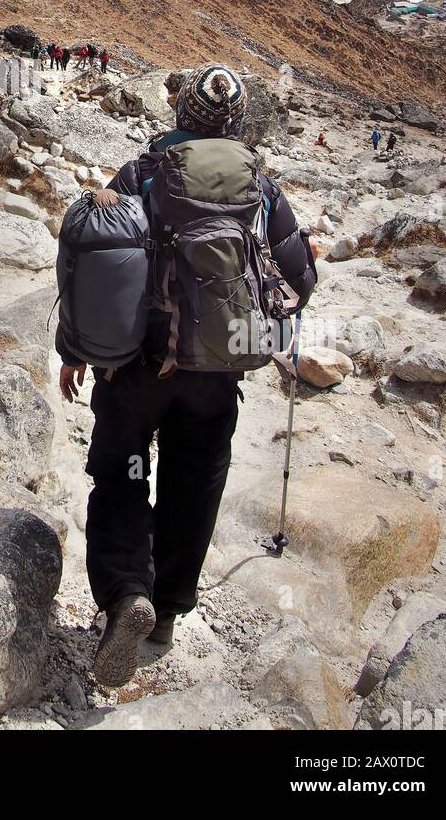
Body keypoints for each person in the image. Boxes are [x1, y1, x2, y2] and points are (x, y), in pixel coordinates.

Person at [58, 64, 317, 688]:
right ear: (236, 121)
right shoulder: (262, 185)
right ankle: (169, 608)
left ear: (180, 116)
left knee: (121, 474)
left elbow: (96, 265)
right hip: (216, 373)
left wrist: (76, 349)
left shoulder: (142, 173)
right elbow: (300, 280)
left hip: (137, 370)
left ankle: (126, 593)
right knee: (194, 481)